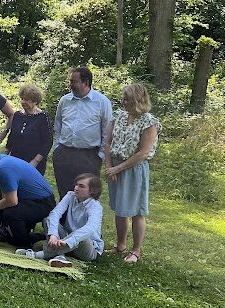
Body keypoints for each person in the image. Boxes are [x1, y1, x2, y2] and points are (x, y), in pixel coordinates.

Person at [105, 83, 160, 264]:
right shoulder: (119, 116)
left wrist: (119, 168)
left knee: (136, 211)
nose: (124, 101)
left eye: (127, 98)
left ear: (138, 100)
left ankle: (136, 250)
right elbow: (108, 143)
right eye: (123, 97)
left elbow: (143, 153)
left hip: (134, 169)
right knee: (120, 208)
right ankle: (120, 245)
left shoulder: (149, 122)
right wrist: (110, 166)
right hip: (115, 166)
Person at [16, 173, 104, 267]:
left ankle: (39, 255)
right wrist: (53, 234)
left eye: (81, 186)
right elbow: (55, 214)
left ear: (92, 191)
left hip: (87, 248)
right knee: (47, 220)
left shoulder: (95, 206)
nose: (76, 188)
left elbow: (90, 228)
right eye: (76, 184)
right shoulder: (70, 196)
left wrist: (68, 241)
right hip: (65, 241)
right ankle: (60, 257)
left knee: (82, 237)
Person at [0, 152, 56, 248]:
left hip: (43, 203)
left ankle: (25, 245)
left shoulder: (2, 169)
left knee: (10, 213)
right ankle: (31, 237)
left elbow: (11, 201)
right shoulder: (1, 159)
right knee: (12, 228)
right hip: (34, 200)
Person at [52, 66, 113, 199]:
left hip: (89, 156)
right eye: (70, 81)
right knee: (65, 193)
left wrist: (100, 155)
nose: (70, 85)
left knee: (87, 195)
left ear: (86, 83)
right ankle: (64, 220)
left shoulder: (102, 102)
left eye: (74, 81)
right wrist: (57, 148)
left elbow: (107, 131)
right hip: (64, 154)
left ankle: (86, 220)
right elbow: (58, 126)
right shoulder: (64, 100)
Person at [5, 84, 52, 175]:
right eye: (22, 98)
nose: (23, 102)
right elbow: (12, 137)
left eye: (26, 99)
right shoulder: (17, 115)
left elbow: (47, 142)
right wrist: (5, 156)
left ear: (35, 101)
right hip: (16, 159)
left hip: (34, 163)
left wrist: (35, 161)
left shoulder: (42, 117)